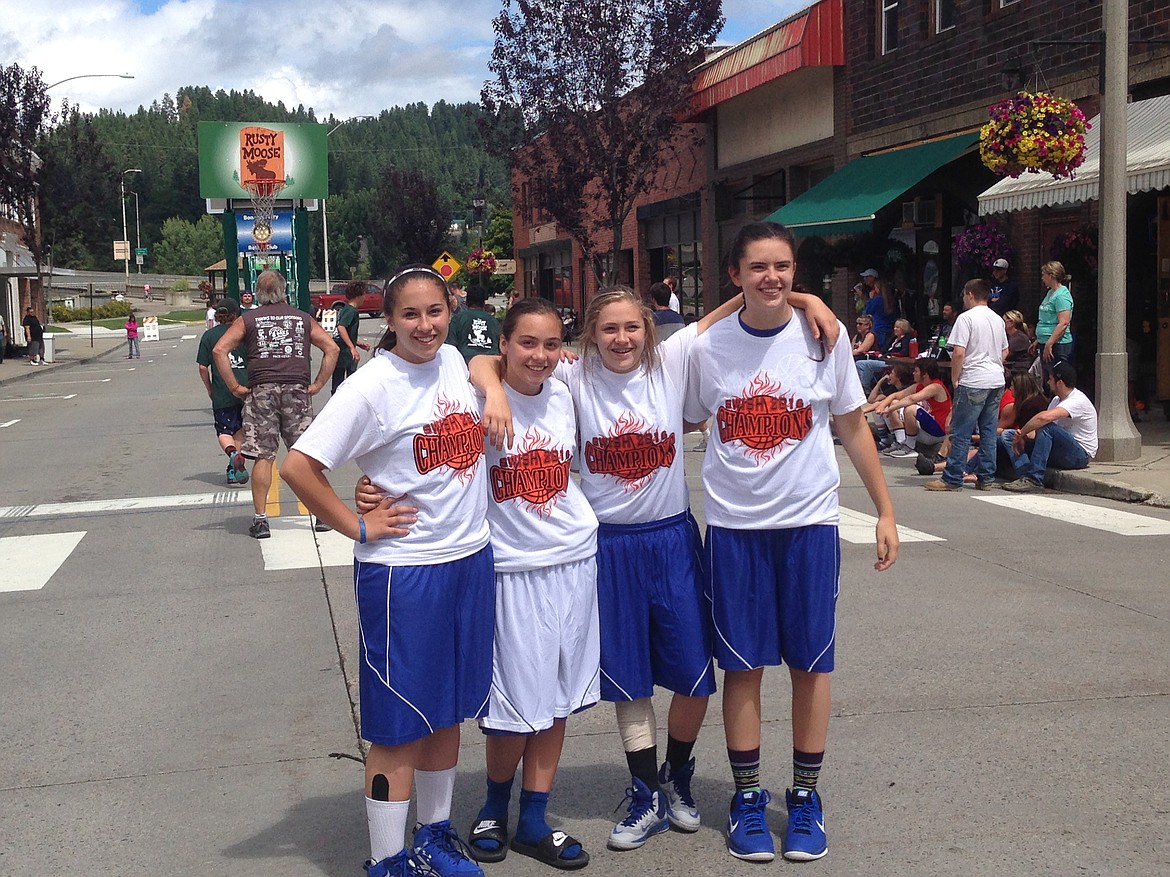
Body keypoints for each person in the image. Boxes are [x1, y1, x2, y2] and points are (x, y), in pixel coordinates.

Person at [467, 284, 840, 856]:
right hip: (609, 546)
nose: (622, 338)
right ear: (590, 336)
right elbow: (493, 359)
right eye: (609, 329)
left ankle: (677, 775)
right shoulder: (573, 377)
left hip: (670, 536)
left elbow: (740, 300)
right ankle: (644, 793)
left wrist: (807, 299)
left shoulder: (669, 363)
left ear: (650, 330)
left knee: (694, 672)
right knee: (629, 677)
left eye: (632, 327)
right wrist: (491, 385)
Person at [683, 221, 898, 864]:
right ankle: (748, 797)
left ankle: (804, 796)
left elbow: (854, 428)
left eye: (783, 267)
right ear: (735, 275)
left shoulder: (822, 338)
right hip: (735, 528)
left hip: (808, 524)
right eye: (757, 267)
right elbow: (684, 416)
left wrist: (885, 510)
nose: (771, 278)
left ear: (794, 271)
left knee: (811, 662)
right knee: (742, 665)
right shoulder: (708, 347)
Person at [282, 265, 494, 877]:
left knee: (448, 708)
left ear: (450, 309)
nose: (425, 325)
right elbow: (300, 466)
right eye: (410, 315)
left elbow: (484, 369)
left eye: (434, 311)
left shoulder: (454, 361)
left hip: (467, 558)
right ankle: (387, 858)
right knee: (399, 722)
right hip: (406, 573)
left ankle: (434, 835)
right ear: (389, 320)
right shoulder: (373, 386)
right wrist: (358, 524)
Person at [462, 298, 599, 870]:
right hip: (511, 569)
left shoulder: (566, 392)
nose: (539, 356)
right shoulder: (477, 397)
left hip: (574, 558)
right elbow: (464, 363)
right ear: (504, 344)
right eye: (526, 343)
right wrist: (493, 387)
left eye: (550, 344)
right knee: (513, 703)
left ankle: (536, 818)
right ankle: (494, 806)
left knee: (558, 698)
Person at [211, 269, 338, 539]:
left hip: (261, 391)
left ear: (258, 293)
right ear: (284, 290)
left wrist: (235, 387)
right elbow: (332, 348)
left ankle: (260, 520)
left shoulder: (249, 319)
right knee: (304, 455)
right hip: (297, 389)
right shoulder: (302, 319)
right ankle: (319, 515)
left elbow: (219, 349)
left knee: (264, 457)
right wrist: (317, 384)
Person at [925, 279, 1008, 492]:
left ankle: (952, 478)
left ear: (970, 294)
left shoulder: (966, 318)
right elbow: (1004, 351)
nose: (963, 298)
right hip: (996, 379)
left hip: (973, 379)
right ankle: (986, 477)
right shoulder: (997, 319)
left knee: (961, 431)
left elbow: (959, 352)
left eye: (964, 295)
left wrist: (955, 377)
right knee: (988, 431)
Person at [999, 361, 1097, 491]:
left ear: (1060, 383)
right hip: (1059, 450)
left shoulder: (1077, 400)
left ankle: (1034, 479)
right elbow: (1040, 430)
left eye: (1050, 379)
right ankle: (1025, 475)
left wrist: (1022, 433)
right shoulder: (1057, 400)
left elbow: (1044, 418)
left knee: (1047, 427)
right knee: (1008, 435)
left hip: (1079, 454)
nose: (1048, 383)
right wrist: (1024, 436)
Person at [196, 298, 250, 487]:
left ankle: (232, 455)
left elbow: (203, 367)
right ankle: (234, 467)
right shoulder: (243, 333)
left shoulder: (209, 336)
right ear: (236, 315)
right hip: (244, 388)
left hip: (222, 390)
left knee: (224, 430)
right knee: (240, 430)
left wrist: (210, 388)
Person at [871, 358, 951, 462]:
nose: (913, 373)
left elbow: (911, 399)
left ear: (925, 374)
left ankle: (910, 447)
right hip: (924, 430)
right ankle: (899, 442)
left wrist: (889, 409)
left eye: (916, 371)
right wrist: (883, 406)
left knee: (911, 408)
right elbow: (896, 395)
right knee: (894, 402)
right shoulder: (919, 386)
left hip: (937, 433)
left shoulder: (936, 386)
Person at [1035, 260, 1074, 385]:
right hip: (1045, 342)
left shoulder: (1062, 296)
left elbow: (1063, 322)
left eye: (1044, 274)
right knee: (1047, 379)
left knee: (1056, 379)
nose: (1042, 278)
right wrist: (1039, 340)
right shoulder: (1050, 293)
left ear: (1051, 275)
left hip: (1058, 345)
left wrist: (1049, 343)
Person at [332, 280, 372, 394]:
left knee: (341, 380)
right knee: (346, 381)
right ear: (358, 295)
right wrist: (352, 348)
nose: (365, 298)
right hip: (344, 353)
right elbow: (341, 327)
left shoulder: (346, 309)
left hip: (344, 350)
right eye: (364, 294)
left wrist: (358, 343)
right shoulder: (351, 310)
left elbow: (345, 332)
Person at [446, 284, 502, 363]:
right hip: (490, 366)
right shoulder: (494, 322)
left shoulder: (457, 319)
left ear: (467, 302)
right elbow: (501, 346)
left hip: (465, 365)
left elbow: (450, 346)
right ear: (483, 302)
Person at [1003, 309, 1034, 374]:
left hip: (1019, 371)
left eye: (1003, 321)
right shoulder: (1010, 336)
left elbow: (1005, 354)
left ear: (1011, 322)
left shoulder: (1019, 338)